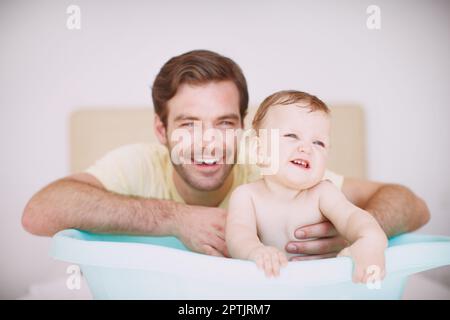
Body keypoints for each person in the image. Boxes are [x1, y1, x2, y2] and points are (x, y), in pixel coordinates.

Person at [22, 50, 429, 260]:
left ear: (245, 128)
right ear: (161, 130)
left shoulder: (272, 166)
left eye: (224, 123)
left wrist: (355, 232)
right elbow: (39, 212)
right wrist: (177, 218)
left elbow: (412, 205)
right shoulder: (139, 163)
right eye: (187, 124)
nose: (209, 142)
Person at [226, 90, 387, 283]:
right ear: (259, 150)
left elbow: (353, 217)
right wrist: (255, 251)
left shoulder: (323, 193)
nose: (306, 148)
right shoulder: (247, 196)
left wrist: (370, 240)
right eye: (292, 135)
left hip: (319, 287)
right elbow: (238, 235)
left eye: (318, 142)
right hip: (269, 286)